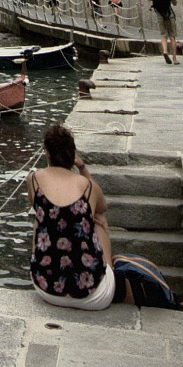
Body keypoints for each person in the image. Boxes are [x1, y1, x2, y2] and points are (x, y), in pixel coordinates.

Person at [28, 123, 115, 309]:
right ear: (72, 154)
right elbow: (102, 206)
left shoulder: (34, 179)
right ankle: (108, 271)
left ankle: (41, 264)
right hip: (93, 297)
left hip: (46, 289)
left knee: (39, 221)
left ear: (47, 152)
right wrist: (82, 167)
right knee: (99, 220)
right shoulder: (87, 185)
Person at [148, 0, 178, 64]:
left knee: (163, 34)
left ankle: (165, 51)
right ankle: (175, 58)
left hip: (159, 13)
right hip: (169, 13)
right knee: (172, 36)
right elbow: (174, 3)